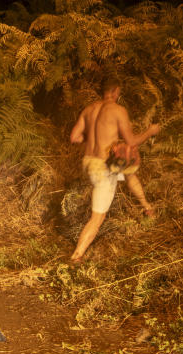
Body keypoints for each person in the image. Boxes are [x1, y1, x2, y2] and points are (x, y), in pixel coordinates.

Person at [68, 76, 161, 263]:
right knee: (98, 217)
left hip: (88, 162)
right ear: (116, 91)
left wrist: (93, 141)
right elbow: (132, 141)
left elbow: (74, 137)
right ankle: (76, 256)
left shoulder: (89, 109)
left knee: (128, 170)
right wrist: (150, 132)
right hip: (102, 169)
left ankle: (148, 208)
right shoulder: (118, 110)